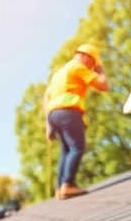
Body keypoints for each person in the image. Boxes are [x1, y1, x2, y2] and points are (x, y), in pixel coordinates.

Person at [43, 44, 109, 200]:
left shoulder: (59, 73)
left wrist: (48, 124)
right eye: (92, 63)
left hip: (54, 114)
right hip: (68, 111)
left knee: (66, 151)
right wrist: (100, 68)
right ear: (87, 57)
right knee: (77, 147)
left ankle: (60, 189)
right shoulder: (77, 67)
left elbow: (46, 97)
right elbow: (104, 85)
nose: (91, 67)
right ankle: (68, 185)